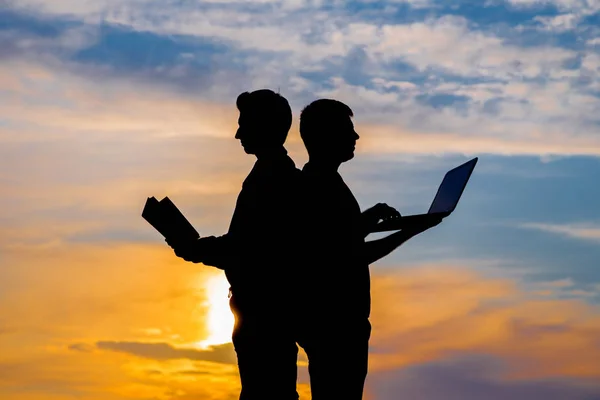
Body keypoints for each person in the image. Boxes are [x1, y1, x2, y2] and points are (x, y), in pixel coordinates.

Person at [295, 99, 442, 400]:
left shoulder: (322, 181)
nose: (356, 137)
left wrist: (368, 217)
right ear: (327, 135)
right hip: (336, 325)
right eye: (348, 130)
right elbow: (348, 256)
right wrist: (410, 231)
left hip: (333, 322)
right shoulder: (320, 186)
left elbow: (339, 239)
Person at [167, 89, 302, 400]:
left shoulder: (272, 179)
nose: (238, 132)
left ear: (264, 126)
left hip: (264, 313)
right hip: (262, 311)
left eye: (245, 123)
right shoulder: (272, 175)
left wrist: (196, 249)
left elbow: (249, 248)